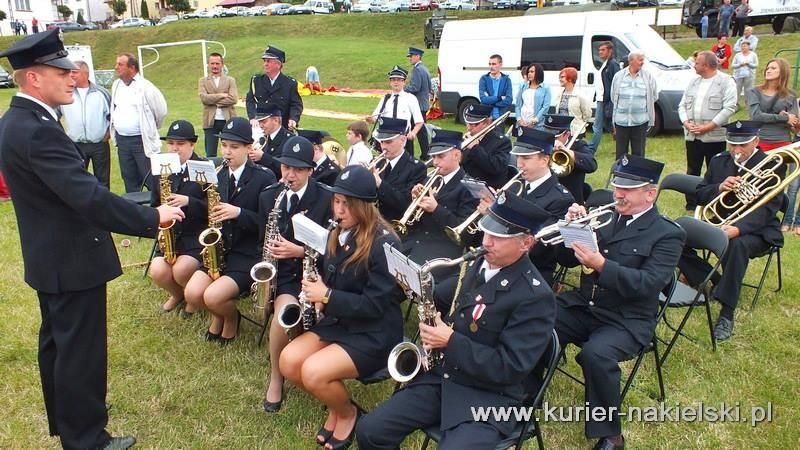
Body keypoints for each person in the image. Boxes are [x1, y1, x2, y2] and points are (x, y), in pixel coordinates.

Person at [0, 29, 185, 450]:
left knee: (60, 350)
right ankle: (86, 440)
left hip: (51, 260)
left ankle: (72, 430)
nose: (73, 76)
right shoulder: (38, 130)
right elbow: (87, 197)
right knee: (80, 356)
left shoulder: (16, 122)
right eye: (62, 71)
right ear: (33, 78)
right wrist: (151, 216)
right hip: (71, 263)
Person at [356, 191, 557, 450]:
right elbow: (440, 296)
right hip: (445, 378)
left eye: (498, 237)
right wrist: (416, 289)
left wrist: (449, 341)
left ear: (526, 243)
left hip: (490, 399)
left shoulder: (535, 296)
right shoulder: (477, 264)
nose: (487, 242)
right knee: (370, 431)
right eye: (486, 232)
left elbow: (509, 368)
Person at [555, 155, 684, 450]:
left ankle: (611, 435)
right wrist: (571, 229)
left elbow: (648, 284)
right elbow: (566, 261)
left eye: (628, 189)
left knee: (595, 354)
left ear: (650, 194)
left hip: (628, 318)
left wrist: (601, 265)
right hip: (588, 304)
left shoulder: (668, 234)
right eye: (617, 186)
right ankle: (526, 391)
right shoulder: (605, 215)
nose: (619, 194)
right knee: (539, 316)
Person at [280, 166, 405, 450]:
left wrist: (327, 296)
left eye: (348, 204)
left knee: (312, 371)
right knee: (288, 361)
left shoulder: (386, 244)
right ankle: (337, 406)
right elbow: (330, 272)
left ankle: (348, 413)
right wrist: (317, 283)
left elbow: (375, 304)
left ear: (366, 206)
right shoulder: (338, 232)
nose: (340, 210)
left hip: (374, 332)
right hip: (341, 322)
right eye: (337, 201)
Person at [678, 121, 783, 341]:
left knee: (736, 245)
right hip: (721, 221)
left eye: (742, 145)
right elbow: (699, 194)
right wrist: (718, 188)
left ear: (756, 141)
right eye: (732, 145)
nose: (736, 151)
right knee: (677, 236)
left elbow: (769, 209)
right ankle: (717, 282)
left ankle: (726, 313)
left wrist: (738, 229)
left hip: (757, 230)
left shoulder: (772, 165)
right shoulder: (719, 161)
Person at [183, 117, 277, 345]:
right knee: (192, 293)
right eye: (224, 145)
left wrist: (239, 213)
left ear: (248, 147)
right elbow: (210, 210)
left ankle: (231, 318)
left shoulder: (265, 178)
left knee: (212, 296)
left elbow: (268, 226)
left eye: (234, 147)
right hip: (221, 249)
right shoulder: (218, 174)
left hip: (246, 254)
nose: (227, 152)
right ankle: (220, 315)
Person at [258, 135, 333, 414]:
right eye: (286, 167)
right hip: (284, 278)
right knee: (284, 315)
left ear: (310, 170)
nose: (290, 174)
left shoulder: (327, 198)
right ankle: (276, 377)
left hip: (318, 275)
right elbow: (260, 243)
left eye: (299, 169)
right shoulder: (268, 196)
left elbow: (336, 250)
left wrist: (299, 251)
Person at [401, 129, 479, 282]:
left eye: (440, 156)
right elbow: (413, 221)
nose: (435, 162)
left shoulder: (468, 187)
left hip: (442, 249)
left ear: (456, 155)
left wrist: (436, 209)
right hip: (415, 240)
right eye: (433, 156)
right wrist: (415, 200)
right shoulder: (430, 179)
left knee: (400, 281)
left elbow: (465, 234)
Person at [149, 120, 208, 316]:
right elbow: (154, 204)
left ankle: (192, 297)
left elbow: (213, 209)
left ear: (192, 145)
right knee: (157, 270)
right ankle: (179, 294)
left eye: (180, 144)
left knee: (181, 270)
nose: (174, 148)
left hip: (194, 236)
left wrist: (189, 201)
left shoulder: (203, 169)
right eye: (171, 143)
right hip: (170, 236)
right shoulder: (162, 168)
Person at [504, 126, 573, 285]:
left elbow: (539, 248)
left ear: (544, 160)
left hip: (531, 272)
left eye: (526, 158)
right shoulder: (515, 186)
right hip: (503, 261)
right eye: (518, 157)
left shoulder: (560, 199)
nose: (519, 164)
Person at [678, 51, 737, 212]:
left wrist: (709, 126)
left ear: (706, 65)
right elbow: (682, 105)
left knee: (716, 170)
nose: (694, 65)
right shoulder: (693, 82)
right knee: (692, 169)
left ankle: (714, 203)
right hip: (692, 135)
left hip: (714, 137)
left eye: (697, 63)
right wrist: (686, 122)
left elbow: (730, 107)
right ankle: (692, 203)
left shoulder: (726, 81)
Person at [110, 52, 168, 193]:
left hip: (141, 141)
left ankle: (156, 208)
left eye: (120, 64)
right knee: (129, 177)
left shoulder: (146, 87)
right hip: (123, 141)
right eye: (116, 64)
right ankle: (134, 210)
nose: (116, 67)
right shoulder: (116, 85)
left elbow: (161, 111)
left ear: (132, 67)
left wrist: (150, 128)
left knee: (150, 177)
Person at [60, 60, 112, 188]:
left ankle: (104, 207)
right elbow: (53, 115)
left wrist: (108, 134)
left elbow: (113, 116)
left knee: (103, 180)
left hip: (99, 145)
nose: (71, 75)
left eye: (74, 72)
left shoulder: (102, 93)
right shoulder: (65, 93)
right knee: (77, 180)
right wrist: (63, 135)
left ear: (85, 74)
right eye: (69, 72)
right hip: (76, 145)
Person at [368, 117, 427, 221]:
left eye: (388, 142)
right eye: (382, 142)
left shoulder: (416, 168)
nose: (383, 147)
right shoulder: (377, 163)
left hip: (394, 223)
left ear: (403, 140)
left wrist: (380, 184)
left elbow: (405, 203)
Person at [609, 50, 659, 158]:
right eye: (640, 60)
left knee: (639, 154)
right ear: (631, 61)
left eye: (643, 60)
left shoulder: (648, 77)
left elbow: (654, 96)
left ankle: (638, 174)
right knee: (621, 155)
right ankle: (620, 175)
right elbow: (613, 96)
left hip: (640, 122)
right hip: (621, 122)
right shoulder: (618, 76)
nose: (642, 62)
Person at [366, 65, 424, 157]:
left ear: (404, 82)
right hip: (386, 138)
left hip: (403, 139)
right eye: (393, 80)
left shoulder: (410, 98)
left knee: (405, 168)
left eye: (399, 80)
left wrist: (413, 133)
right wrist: (370, 119)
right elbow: (375, 118)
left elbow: (419, 121)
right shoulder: (386, 98)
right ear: (390, 82)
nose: (396, 82)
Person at [746, 58, 799, 152]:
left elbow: (794, 124)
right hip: (759, 141)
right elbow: (756, 116)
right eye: (767, 68)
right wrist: (783, 118)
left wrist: (795, 123)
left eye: (773, 68)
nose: (768, 70)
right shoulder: (754, 91)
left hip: (783, 142)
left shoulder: (791, 95)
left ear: (783, 72)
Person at [245, 45, 303, 130]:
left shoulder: (289, 83)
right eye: (264, 61)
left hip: (281, 127)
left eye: (268, 61)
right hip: (260, 127)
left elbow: (296, 104)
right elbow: (250, 100)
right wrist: (252, 117)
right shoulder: (256, 81)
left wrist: (293, 119)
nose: (265, 64)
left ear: (278, 64)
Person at [544, 114, 598, 205]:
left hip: (570, 201)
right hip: (546, 198)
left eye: (556, 137)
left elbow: (592, 165)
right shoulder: (542, 145)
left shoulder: (578, 146)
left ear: (567, 134)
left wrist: (567, 152)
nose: (551, 140)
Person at [461, 103, 512, 189]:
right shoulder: (467, 139)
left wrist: (475, 148)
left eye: (475, 124)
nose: (469, 128)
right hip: (465, 187)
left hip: (487, 190)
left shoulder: (502, 142)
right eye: (468, 123)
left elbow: (495, 167)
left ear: (487, 122)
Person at [199, 52, 238, 158]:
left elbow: (233, 98)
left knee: (230, 152)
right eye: (212, 63)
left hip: (228, 119)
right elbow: (204, 99)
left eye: (217, 63)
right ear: (208, 64)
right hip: (210, 122)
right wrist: (221, 95)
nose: (215, 66)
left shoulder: (230, 80)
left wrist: (213, 100)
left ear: (222, 64)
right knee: (210, 154)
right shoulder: (203, 81)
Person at [588, 41, 620, 154]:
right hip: (601, 99)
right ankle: (621, 145)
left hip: (606, 100)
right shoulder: (605, 64)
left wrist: (612, 100)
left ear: (610, 50)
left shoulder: (612, 64)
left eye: (603, 50)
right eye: (599, 50)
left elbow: (616, 83)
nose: (600, 52)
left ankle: (591, 149)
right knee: (608, 125)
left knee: (597, 126)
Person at [249, 104, 293, 177]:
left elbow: (288, 167)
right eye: (259, 122)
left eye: (264, 122)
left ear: (276, 120)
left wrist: (263, 157)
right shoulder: (263, 138)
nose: (260, 125)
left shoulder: (290, 140)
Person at [405, 47, 432, 159]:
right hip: (424, 104)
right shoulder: (424, 69)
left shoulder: (417, 69)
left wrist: (404, 89)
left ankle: (410, 155)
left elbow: (415, 87)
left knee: (411, 129)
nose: (410, 58)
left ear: (417, 56)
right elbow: (429, 87)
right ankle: (426, 154)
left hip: (417, 105)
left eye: (411, 56)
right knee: (421, 131)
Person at [553, 66, 593, 138]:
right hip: (561, 131)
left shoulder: (580, 95)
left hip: (575, 132)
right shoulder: (560, 94)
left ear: (570, 79)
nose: (560, 79)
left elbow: (587, 114)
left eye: (562, 77)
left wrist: (580, 124)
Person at [514, 62, 551, 131]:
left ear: (538, 73)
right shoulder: (523, 86)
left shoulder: (545, 88)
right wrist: (519, 119)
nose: (529, 74)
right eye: (528, 72)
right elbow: (517, 105)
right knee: (521, 142)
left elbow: (545, 107)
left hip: (537, 125)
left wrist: (535, 121)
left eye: (532, 72)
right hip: (522, 124)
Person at [479, 54, 513, 120]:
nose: (491, 66)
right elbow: (483, 99)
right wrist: (500, 98)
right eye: (490, 64)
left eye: (494, 64)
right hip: (486, 118)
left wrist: (490, 102)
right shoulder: (484, 79)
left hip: (499, 119)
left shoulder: (507, 80)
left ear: (500, 65)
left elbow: (509, 100)